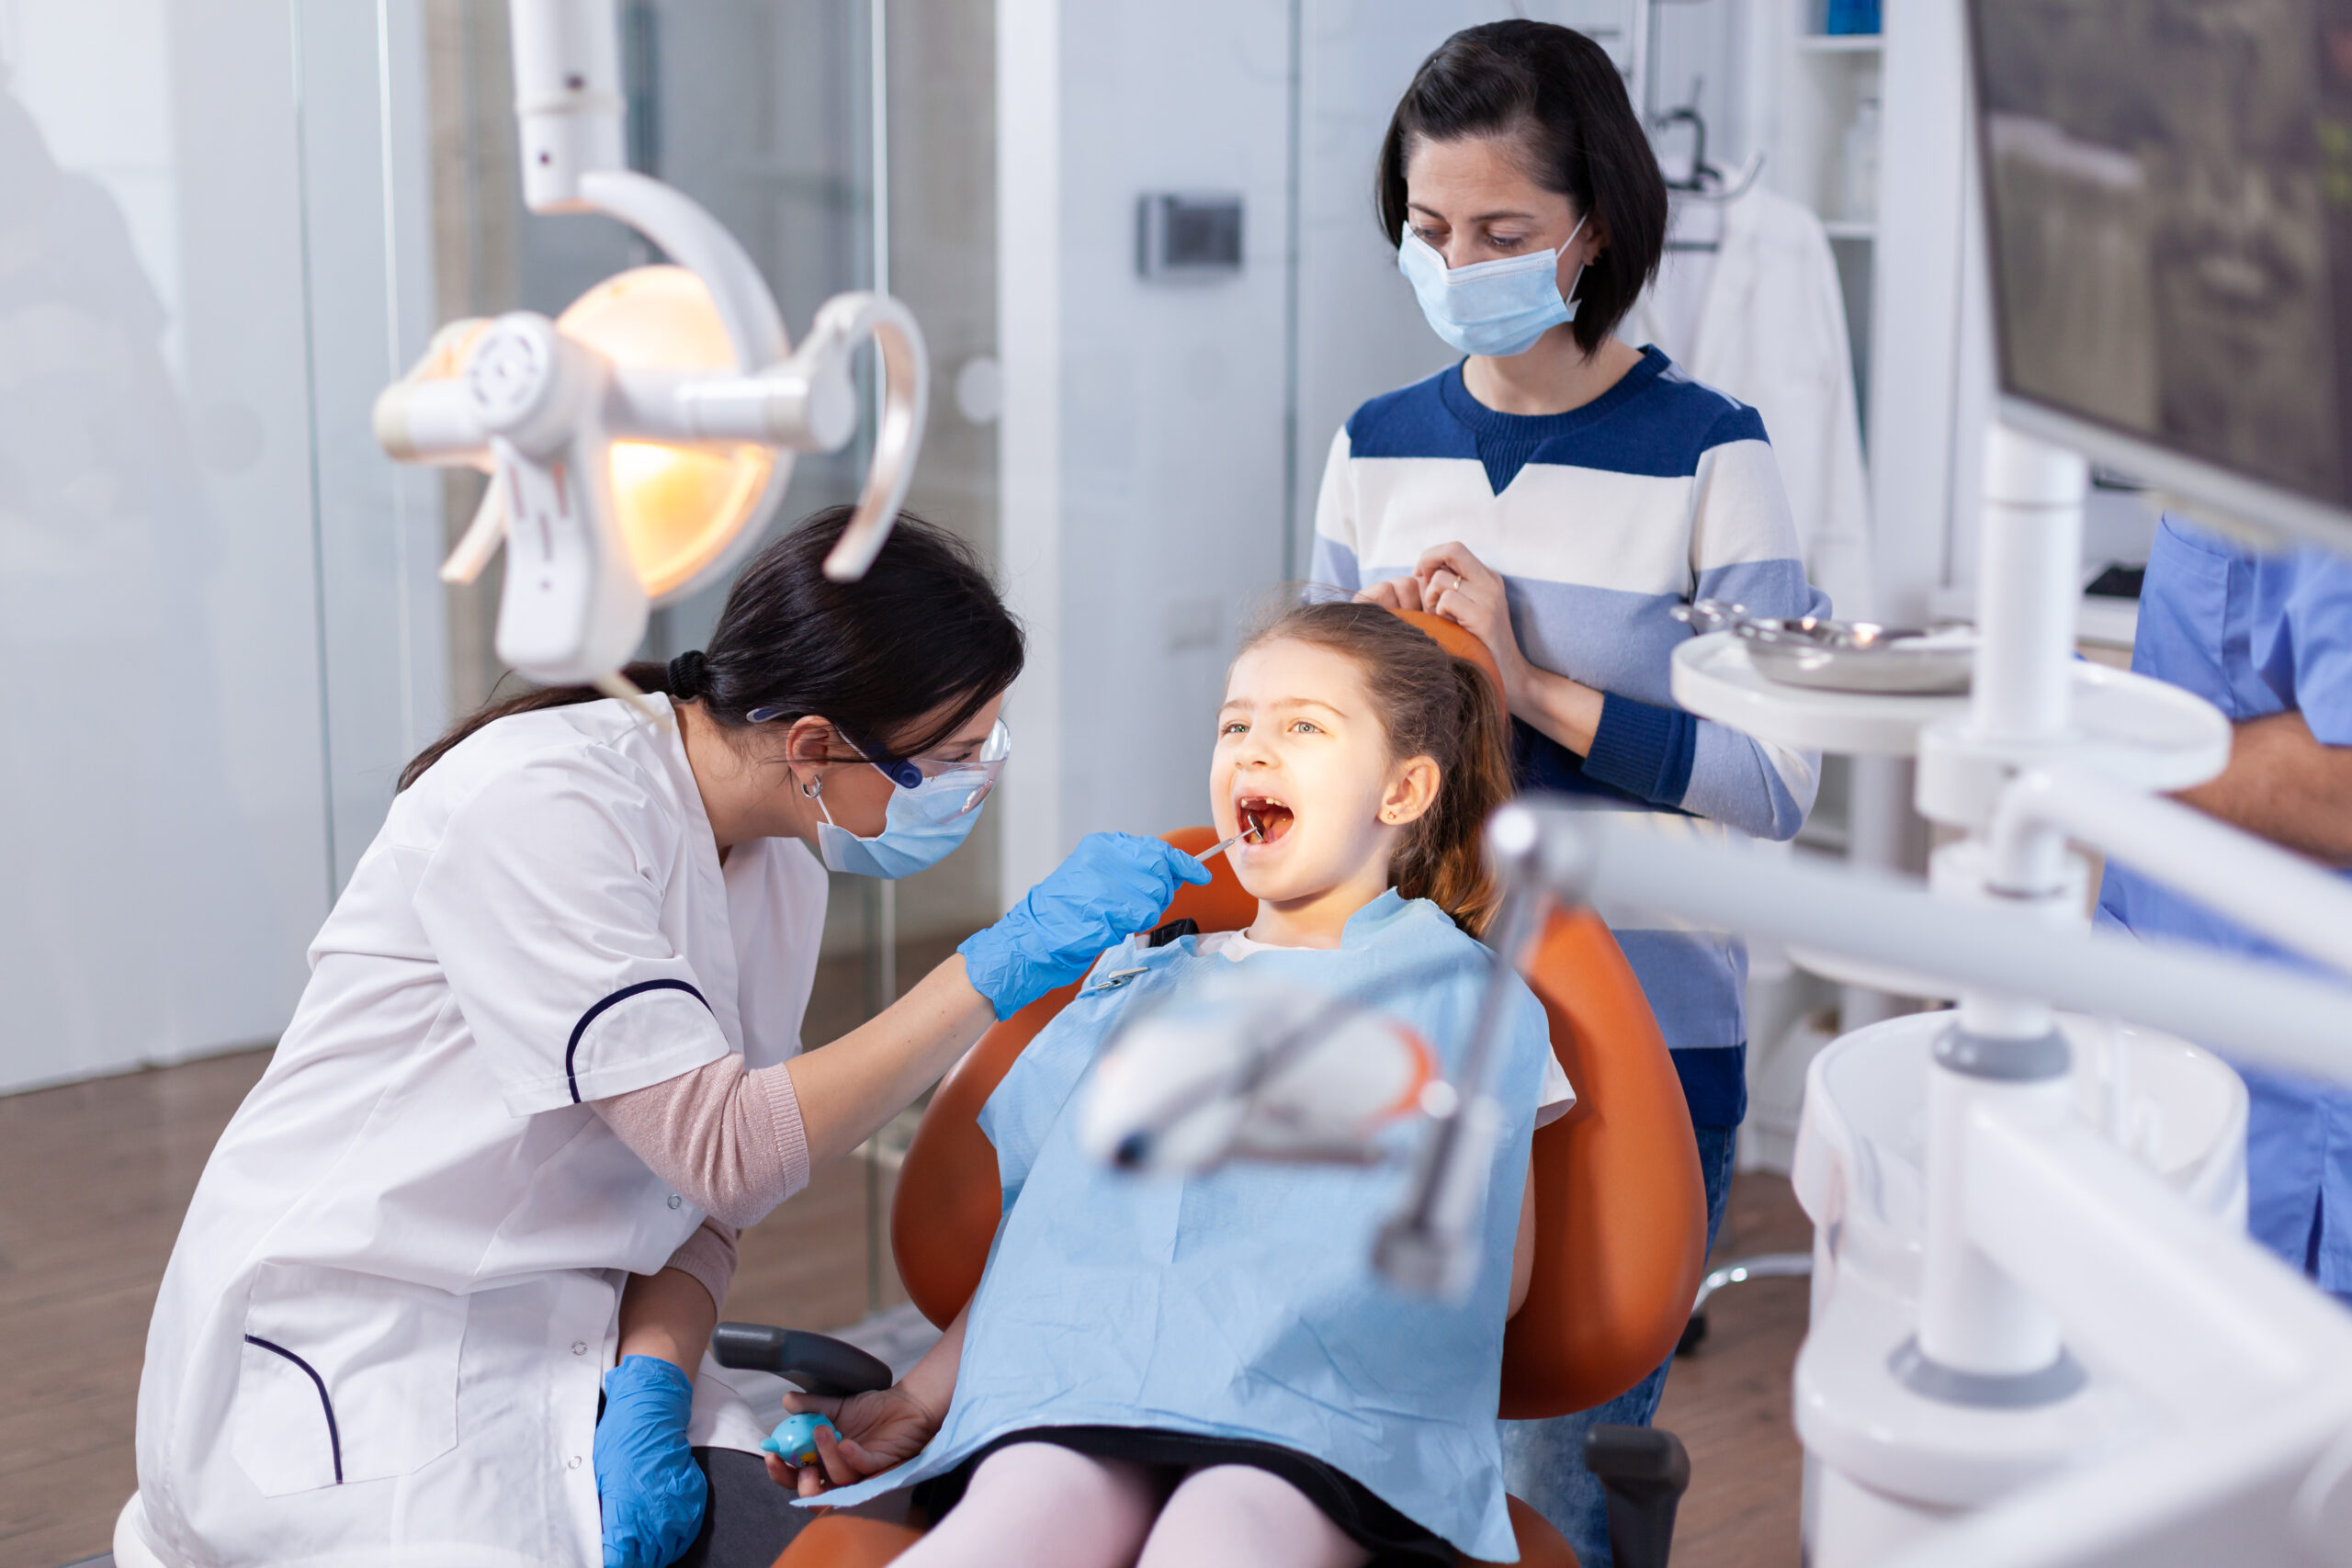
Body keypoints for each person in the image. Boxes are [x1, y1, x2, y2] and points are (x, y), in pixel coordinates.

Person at [130, 508, 1215, 1568]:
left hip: (574, 1340)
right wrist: (997, 963)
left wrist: (652, 1382)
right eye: (955, 759)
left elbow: (700, 1202)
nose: (975, 785)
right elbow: (727, 1145)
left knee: (810, 1548)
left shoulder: (782, 855)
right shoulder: (542, 803)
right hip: (360, 1342)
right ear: (813, 746)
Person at [1307, 22, 1826, 1564]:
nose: (1458, 261)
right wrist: (1395, 688)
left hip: (1640, 1035)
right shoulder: (1373, 450)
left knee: (1543, 1492)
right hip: (1410, 1017)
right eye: (1429, 230)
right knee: (1383, 1470)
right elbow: (1319, 754)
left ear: (1592, 229)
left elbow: (1769, 781)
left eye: (1502, 233)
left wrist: (1524, 681)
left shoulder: (1713, 455)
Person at [764, 603, 1575, 1567]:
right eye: (1235, 725)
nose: (1253, 752)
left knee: (1228, 1527)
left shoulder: (1461, 994)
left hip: (1312, 1430)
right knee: (1019, 1515)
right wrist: (914, 1402)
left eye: (1302, 727)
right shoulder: (1139, 980)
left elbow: (1495, 1272)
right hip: (1076, 1398)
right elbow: (1054, 1245)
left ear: (1401, 791)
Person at [2098, 516, 2352, 1295]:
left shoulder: (2322, 448)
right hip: (2175, 1011)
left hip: (2285, 1091)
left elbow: (2341, 788)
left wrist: (2079, 731)